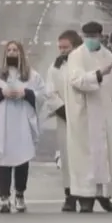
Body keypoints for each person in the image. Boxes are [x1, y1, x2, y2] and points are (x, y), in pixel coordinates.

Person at [61, 21, 112, 212]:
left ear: (100, 37)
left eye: (94, 37)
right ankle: (85, 198)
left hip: (104, 115)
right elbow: (76, 80)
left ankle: (103, 194)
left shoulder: (108, 56)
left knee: (105, 157)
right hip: (84, 116)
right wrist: (98, 75)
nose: (91, 40)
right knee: (85, 159)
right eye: (87, 37)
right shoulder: (76, 56)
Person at [0, 41, 45, 212]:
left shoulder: (32, 76)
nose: (11, 52)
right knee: (4, 159)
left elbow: (42, 95)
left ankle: (20, 194)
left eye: (15, 50)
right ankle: (4, 197)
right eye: (9, 50)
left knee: (22, 159)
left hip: (23, 122)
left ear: (21, 53)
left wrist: (26, 93)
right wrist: (1, 93)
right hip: (4, 122)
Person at [45, 30, 81, 211]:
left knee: (84, 158)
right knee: (67, 158)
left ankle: (88, 195)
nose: (62, 51)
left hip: (84, 118)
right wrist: (63, 111)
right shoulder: (55, 67)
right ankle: (70, 196)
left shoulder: (84, 64)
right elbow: (49, 92)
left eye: (66, 47)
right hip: (64, 118)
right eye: (60, 47)